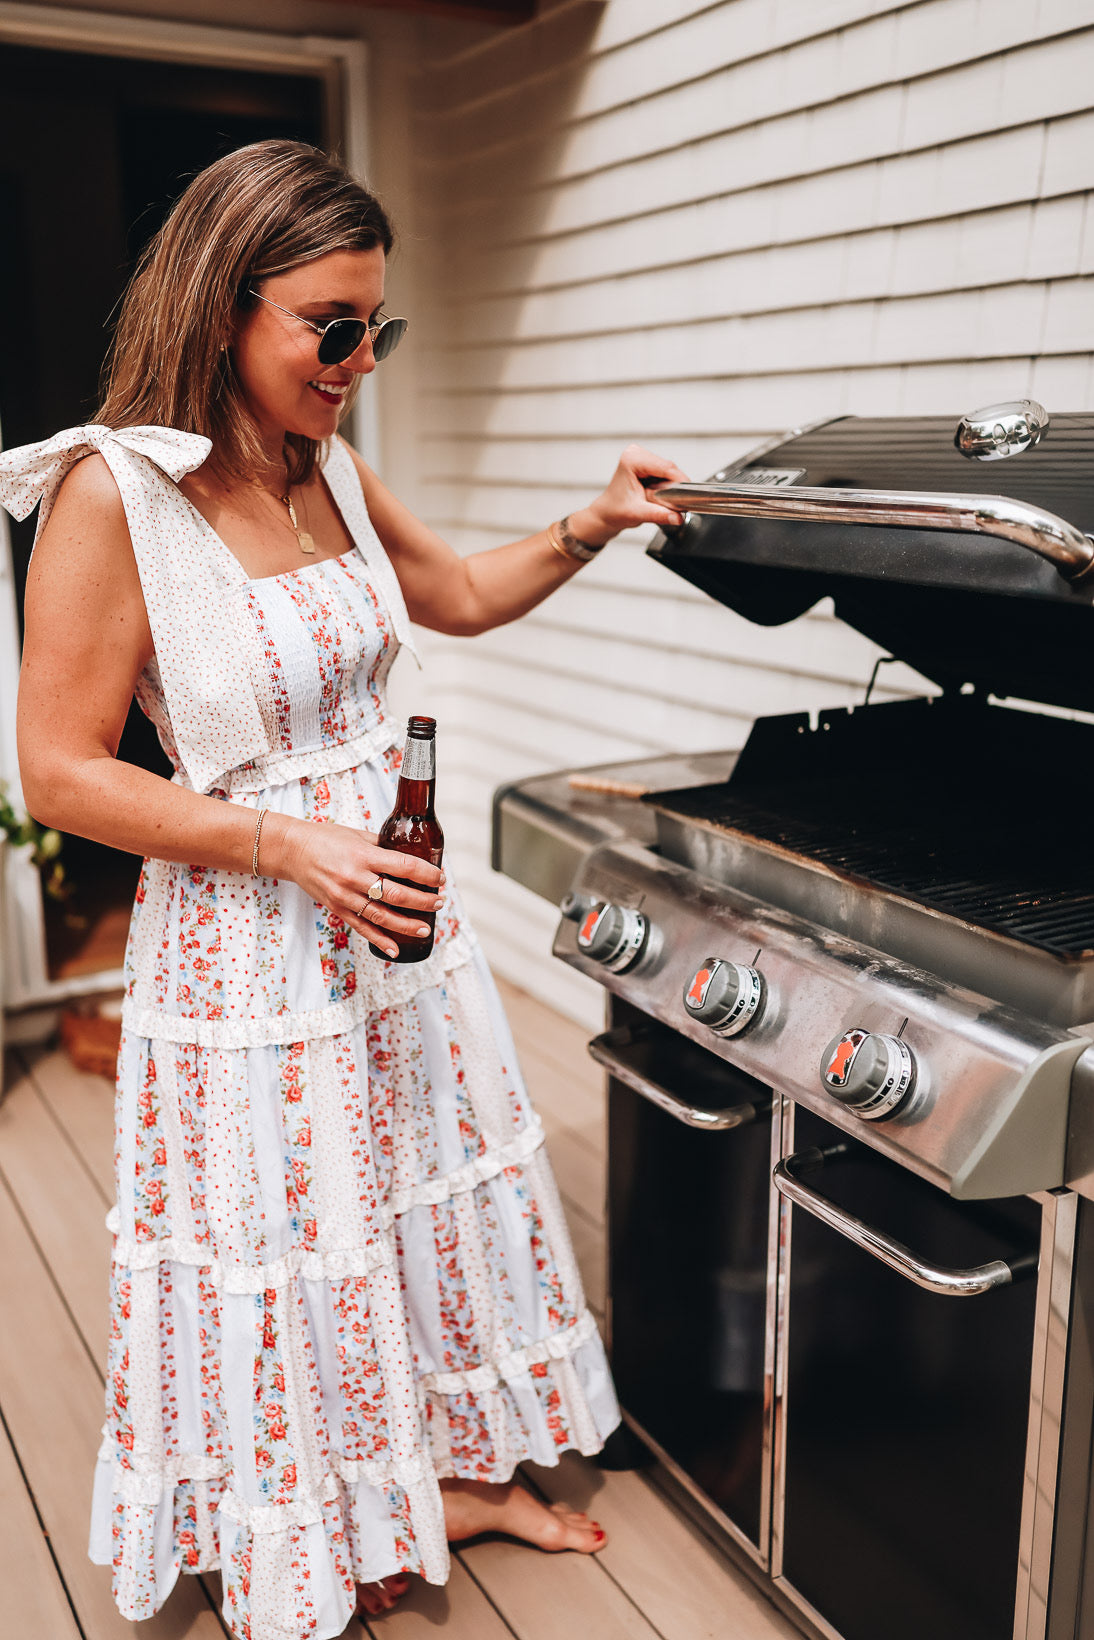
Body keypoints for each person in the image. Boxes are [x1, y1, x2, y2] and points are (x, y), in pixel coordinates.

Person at [0, 139, 687, 1640]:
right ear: (219, 305)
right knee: (287, 1242)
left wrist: (590, 519)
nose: (357, 360)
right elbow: (59, 771)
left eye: (378, 329)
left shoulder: (329, 468)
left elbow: (453, 598)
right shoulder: (114, 496)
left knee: (403, 1208)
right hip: (250, 942)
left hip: (393, 927)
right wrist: (291, 844)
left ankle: (425, 1488)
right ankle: (299, 1542)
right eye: (330, 326)